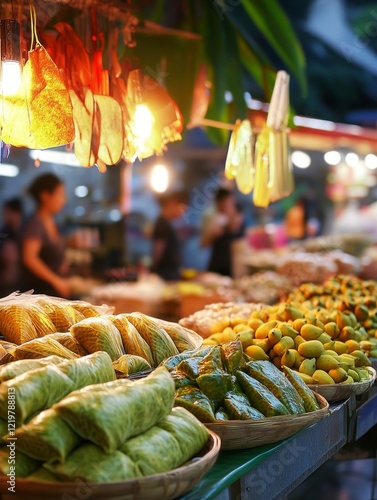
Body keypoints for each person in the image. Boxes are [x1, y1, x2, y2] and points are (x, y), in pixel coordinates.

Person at [20, 173, 71, 297]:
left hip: (52, 294)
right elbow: (29, 258)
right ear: (45, 196)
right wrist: (56, 281)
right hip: (38, 296)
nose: (63, 200)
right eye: (60, 195)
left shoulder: (51, 221)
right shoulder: (35, 223)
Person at [201, 187, 244, 277]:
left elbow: (234, 229)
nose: (226, 206)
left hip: (236, 266)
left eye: (229, 202)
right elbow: (203, 244)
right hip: (217, 264)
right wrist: (213, 233)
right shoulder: (214, 218)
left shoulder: (238, 215)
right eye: (223, 203)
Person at [150, 191, 187, 281]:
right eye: (182, 207)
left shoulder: (165, 223)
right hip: (166, 275)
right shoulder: (162, 224)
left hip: (169, 274)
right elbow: (157, 252)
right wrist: (152, 271)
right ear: (172, 203)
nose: (183, 212)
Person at [0, 198, 23, 296]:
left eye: (5, 212)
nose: (4, 216)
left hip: (10, 285)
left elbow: (9, 258)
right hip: (8, 287)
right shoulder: (8, 233)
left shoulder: (8, 234)